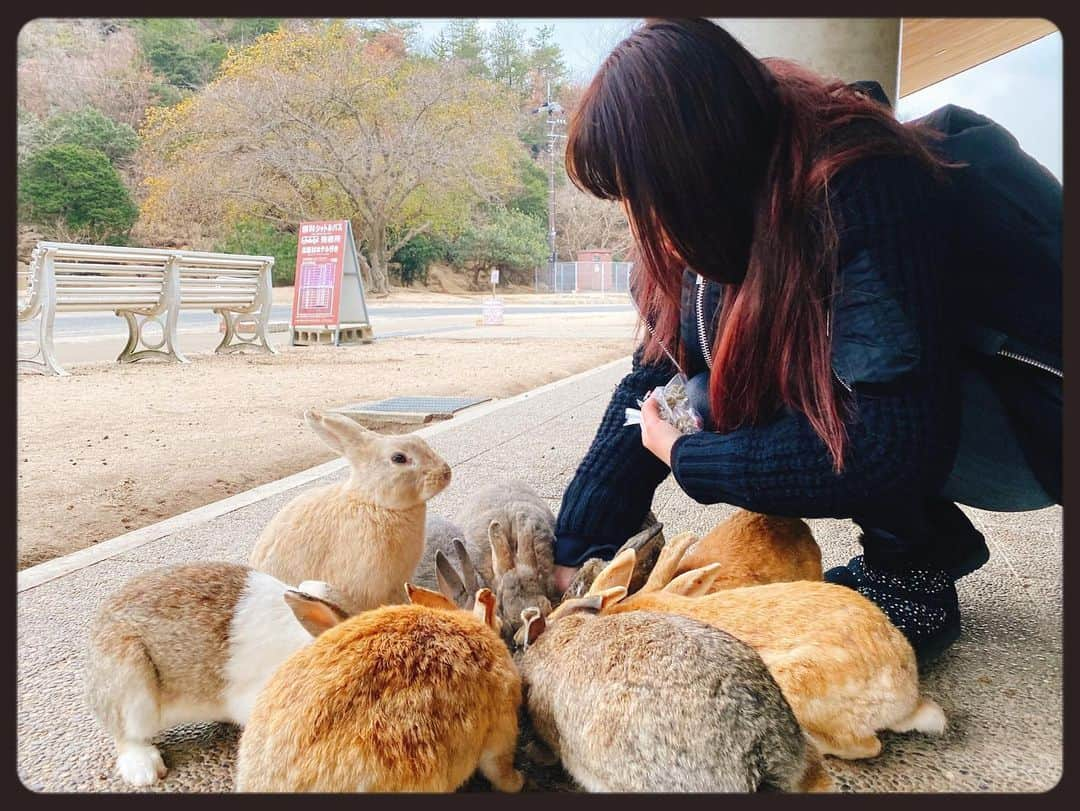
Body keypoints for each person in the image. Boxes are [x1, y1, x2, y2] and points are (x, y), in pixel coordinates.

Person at [551, 18, 1062, 662]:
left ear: (692, 172)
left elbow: (888, 442)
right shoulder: (728, 209)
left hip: (1034, 425)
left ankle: (912, 577)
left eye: (641, 193)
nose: (637, 219)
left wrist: (691, 461)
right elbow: (655, 383)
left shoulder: (864, 186)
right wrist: (577, 551)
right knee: (712, 380)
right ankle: (923, 546)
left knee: (748, 376)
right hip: (935, 414)